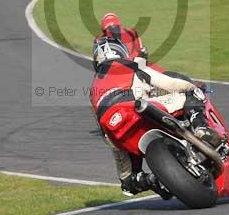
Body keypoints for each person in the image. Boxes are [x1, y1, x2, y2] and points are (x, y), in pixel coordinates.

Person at [91, 13, 221, 196]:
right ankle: (200, 128)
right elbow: (168, 82)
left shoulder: (93, 86)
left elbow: (103, 131)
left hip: (114, 127)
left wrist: (118, 145)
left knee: (127, 183)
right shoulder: (130, 58)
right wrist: (192, 85)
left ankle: (154, 180)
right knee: (190, 93)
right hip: (136, 106)